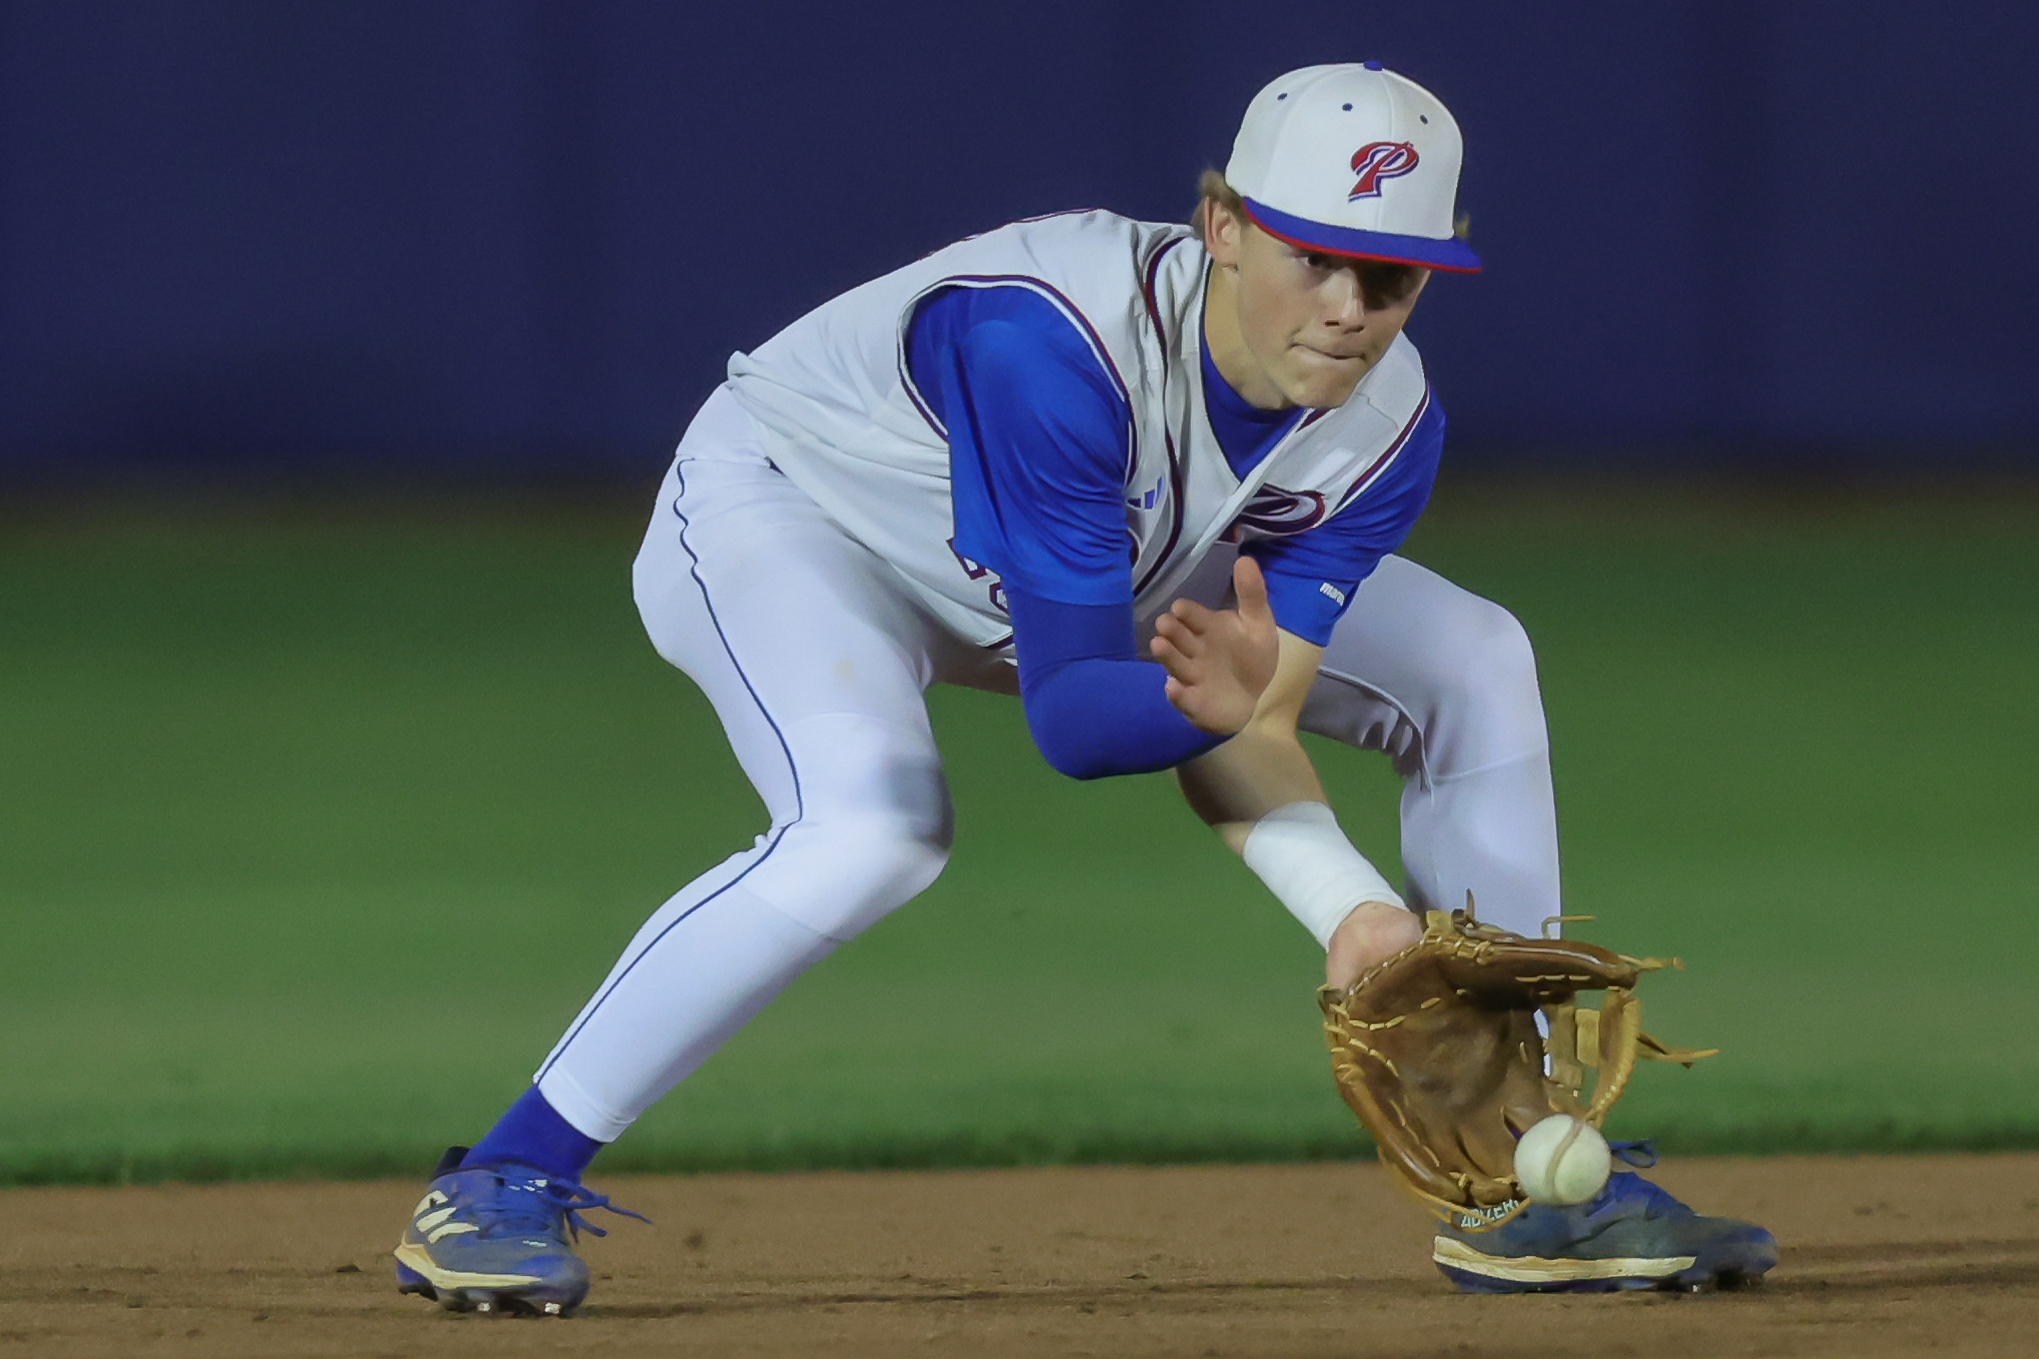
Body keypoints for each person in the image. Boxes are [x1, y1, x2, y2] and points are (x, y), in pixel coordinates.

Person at [393, 62, 1773, 1314]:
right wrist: (1222, 718)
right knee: (874, 830)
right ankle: (500, 1176)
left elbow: (1243, 722)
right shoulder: (1048, 344)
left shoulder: (1386, 424)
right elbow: (1077, 716)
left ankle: (1527, 1164)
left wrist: (1356, 920)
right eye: (1319, 257)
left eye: (1393, 277)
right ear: (1224, 225)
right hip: (800, 521)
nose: (1352, 307)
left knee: (1475, 656)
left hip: (1128, 563)